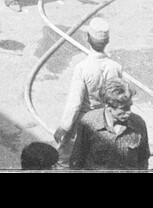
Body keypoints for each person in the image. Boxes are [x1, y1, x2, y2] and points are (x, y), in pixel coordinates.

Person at [53, 17, 124, 146]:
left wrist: (64, 127)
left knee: (68, 157)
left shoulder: (82, 68)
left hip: (85, 121)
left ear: (87, 38)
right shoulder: (116, 67)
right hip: (106, 120)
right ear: (107, 41)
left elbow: (75, 103)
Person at [69, 79, 150, 170]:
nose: (129, 112)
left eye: (130, 106)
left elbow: (143, 160)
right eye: (123, 108)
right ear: (108, 106)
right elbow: (77, 160)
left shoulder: (138, 124)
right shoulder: (89, 122)